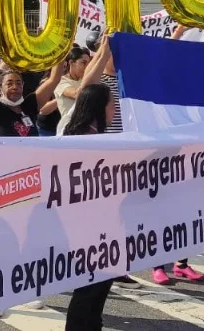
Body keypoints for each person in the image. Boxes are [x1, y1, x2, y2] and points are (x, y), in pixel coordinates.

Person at [61, 83, 118, 331]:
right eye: (111, 103)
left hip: (106, 224)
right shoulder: (80, 139)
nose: (115, 108)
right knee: (88, 287)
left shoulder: (98, 136)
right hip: (85, 227)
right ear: (98, 106)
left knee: (101, 285)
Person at [51, 48, 92, 134]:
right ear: (71, 63)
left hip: (87, 129)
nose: (87, 67)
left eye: (89, 63)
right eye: (83, 63)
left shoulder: (84, 80)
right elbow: (77, 94)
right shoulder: (61, 82)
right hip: (69, 130)